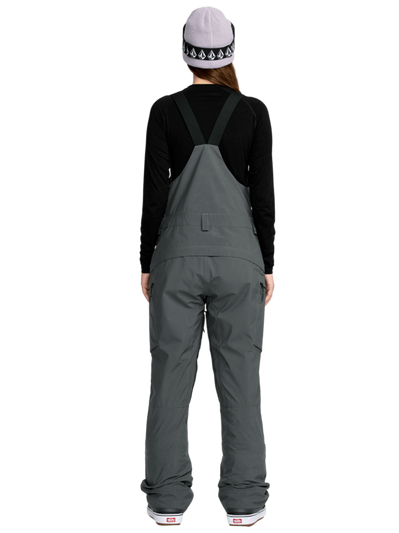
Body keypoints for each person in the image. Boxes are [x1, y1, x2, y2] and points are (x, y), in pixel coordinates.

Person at [138, 4, 276, 529]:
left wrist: (146, 262)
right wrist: (268, 264)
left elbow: (153, 195)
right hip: (241, 260)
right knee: (240, 379)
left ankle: (167, 503)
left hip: (174, 261)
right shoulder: (255, 113)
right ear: (232, 52)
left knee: (169, 379)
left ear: (184, 53)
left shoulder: (163, 111)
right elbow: (264, 196)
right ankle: (245, 503)